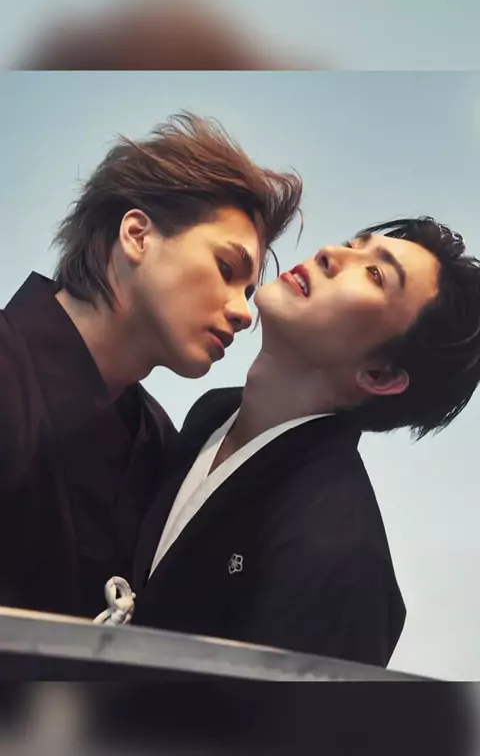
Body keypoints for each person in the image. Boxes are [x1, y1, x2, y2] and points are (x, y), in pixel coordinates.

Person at [109, 216, 480, 668]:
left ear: (380, 375)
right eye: (352, 244)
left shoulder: (341, 555)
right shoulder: (211, 415)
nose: (330, 253)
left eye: (375, 274)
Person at [0, 112, 302, 618]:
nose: (244, 312)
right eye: (226, 269)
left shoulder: (161, 444)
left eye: (248, 292)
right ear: (137, 235)